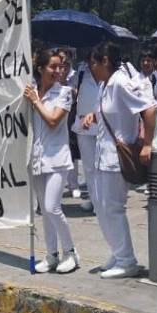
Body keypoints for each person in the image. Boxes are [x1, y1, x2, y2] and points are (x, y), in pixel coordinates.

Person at [82, 42, 157, 278]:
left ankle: (127, 260)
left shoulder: (120, 82)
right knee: (102, 208)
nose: (92, 68)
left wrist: (147, 144)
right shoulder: (106, 85)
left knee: (113, 208)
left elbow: (149, 110)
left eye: (94, 62)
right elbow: (110, 111)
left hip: (118, 157)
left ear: (106, 61)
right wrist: (94, 116)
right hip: (103, 156)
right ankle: (117, 251)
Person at [23, 49, 79, 273]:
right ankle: (51, 255)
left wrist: (36, 102)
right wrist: (33, 98)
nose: (58, 71)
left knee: (52, 207)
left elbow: (53, 121)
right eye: (53, 67)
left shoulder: (64, 92)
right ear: (40, 69)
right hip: (37, 158)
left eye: (61, 67)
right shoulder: (32, 91)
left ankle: (71, 253)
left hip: (57, 158)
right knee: (44, 211)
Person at [71, 51, 100, 213]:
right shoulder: (81, 73)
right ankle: (94, 200)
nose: (92, 62)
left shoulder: (109, 75)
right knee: (89, 167)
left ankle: (101, 201)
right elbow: (70, 88)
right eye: (91, 58)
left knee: (102, 166)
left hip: (103, 125)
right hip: (84, 125)